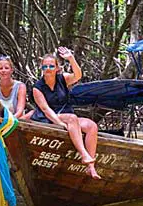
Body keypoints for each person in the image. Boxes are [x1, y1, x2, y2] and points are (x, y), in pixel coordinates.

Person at [31, 47, 101, 179]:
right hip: (48, 118)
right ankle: (83, 154)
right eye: (45, 66)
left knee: (91, 126)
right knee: (72, 118)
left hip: (67, 116)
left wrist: (70, 58)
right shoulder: (37, 87)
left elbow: (78, 75)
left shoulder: (62, 78)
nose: (48, 69)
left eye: (51, 66)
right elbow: (46, 110)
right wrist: (61, 124)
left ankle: (90, 167)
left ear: (57, 68)